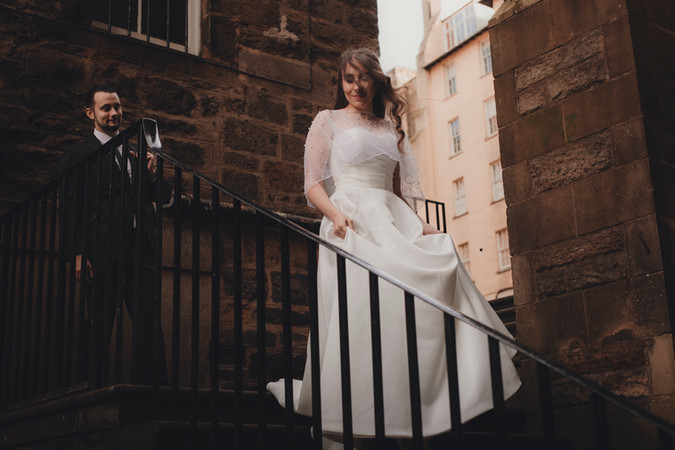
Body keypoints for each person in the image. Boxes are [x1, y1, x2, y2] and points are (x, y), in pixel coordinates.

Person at [267, 48, 521, 448]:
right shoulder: (326, 122)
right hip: (350, 220)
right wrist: (334, 214)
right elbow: (312, 184)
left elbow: (401, 193)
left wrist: (424, 227)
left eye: (362, 78)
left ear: (376, 81)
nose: (354, 86)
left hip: (391, 219)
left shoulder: (391, 128)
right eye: (347, 79)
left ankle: (416, 403)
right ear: (341, 83)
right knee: (361, 315)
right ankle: (356, 408)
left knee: (409, 304)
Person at [60, 85, 169, 386]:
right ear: (90, 113)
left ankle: (153, 386)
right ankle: (88, 387)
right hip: (102, 246)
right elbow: (70, 204)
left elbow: (162, 195)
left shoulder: (135, 150)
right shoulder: (79, 153)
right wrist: (79, 252)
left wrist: (151, 175)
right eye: (106, 108)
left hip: (140, 247)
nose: (113, 113)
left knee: (149, 319)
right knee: (98, 319)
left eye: (117, 107)